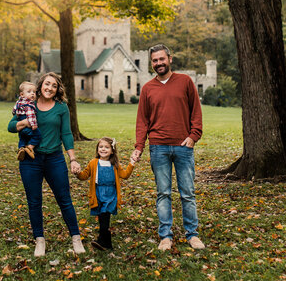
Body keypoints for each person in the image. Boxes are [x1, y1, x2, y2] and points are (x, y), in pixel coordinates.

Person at [131, 44, 205, 251]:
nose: (159, 63)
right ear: (151, 63)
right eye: (155, 60)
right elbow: (142, 121)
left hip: (183, 147)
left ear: (170, 59)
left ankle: (192, 235)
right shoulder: (147, 88)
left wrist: (193, 136)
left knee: (187, 193)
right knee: (163, 193)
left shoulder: (185, 82)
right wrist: (139, 146)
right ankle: (166, 236)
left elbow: (196, 112)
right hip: (158, 148)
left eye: (162, 59)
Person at [8, 72, 85, 257]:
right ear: (40, 85)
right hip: (29, 160)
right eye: (47, 84)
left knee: (64, 199)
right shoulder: (28, 103)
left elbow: (66, 134)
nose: (50, 88)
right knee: (34, 202)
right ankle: (39, 240)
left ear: (57, 89)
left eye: (54, 86)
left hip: (55, 159)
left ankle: (76, 238)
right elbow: (11, 126)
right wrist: (24, 122)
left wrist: (72, 159)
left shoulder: (61, 108)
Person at [74, 137, 135, 251]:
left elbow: (125, 175)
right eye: (101, 147)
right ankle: (106, 242)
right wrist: (77, 173)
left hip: (111, 194)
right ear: (97, 149)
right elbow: (84, 175)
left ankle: (103, 240)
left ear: (112, 150)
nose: (103, 149)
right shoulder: (93, 163)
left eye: (106, 147)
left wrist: (131, 163)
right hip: (98, 194)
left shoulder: (114, 164)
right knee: (102, 217)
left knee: (105, 215)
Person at [12, 81, 42, 161]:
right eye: (29, 92)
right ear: (22, 94)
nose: (32, 94)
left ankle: (21, 149)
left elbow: (14, 110)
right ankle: (29, 148)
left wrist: (16, 115)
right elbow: (30, 115)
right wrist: (33, 124)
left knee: (22, 138)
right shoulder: (29, 104)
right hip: (28, 125)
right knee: (37, 135)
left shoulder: (19, 102)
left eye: (34, 92)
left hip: (21, 126)